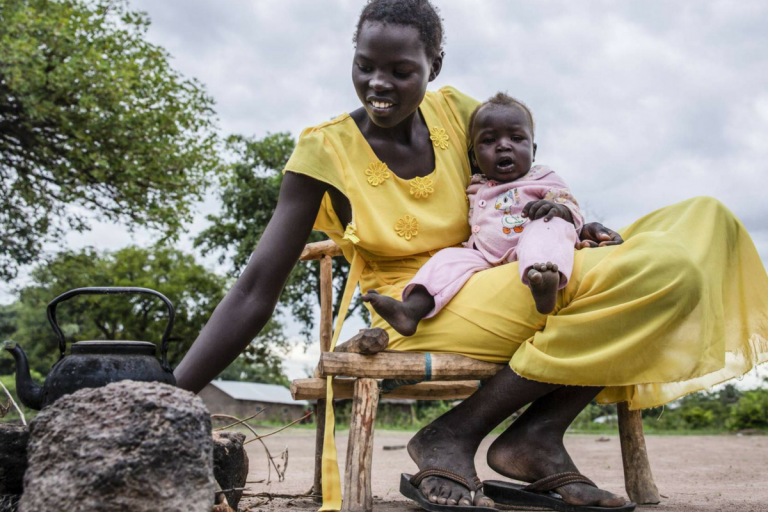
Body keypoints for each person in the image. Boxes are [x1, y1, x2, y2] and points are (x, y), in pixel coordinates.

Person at [173, 0, 768, 510]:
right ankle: (455, 435)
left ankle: (534, 437)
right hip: (424, 306)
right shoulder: (323, 151)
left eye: (402, 71)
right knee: (661, 275)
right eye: (365, 67)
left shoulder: (459, 112)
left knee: (706, 219)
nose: (380, 84)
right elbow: (256, 287)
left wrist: (569, 220)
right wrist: (171, 393)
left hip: (511, 269)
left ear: (435, 66)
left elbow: (524, 172)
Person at [363, 92, 584, 337]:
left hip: (531, 245)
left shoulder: (542, 177)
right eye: (489, 141)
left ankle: (542, 279)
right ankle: (411, 310)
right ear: (475, 159)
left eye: (516, 137)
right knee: (447, 258)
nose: (503, 145)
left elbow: (571, 208)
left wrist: (558, 210)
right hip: (483, 256)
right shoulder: (475, 185)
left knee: (550, 226)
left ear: (533, 150)